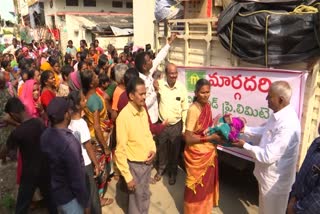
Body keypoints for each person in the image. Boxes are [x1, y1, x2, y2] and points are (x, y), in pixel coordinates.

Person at [232, 81, 301, 214]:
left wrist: (244, 145)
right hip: (267, 178)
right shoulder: (278, 114)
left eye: (269, 96)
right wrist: (244, 129)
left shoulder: (288, 124)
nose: (266, 99)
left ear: (280, 99)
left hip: (275, 184)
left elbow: (268, 156)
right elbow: (264, 132)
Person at [5, 97, 57, 214]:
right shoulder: (38, 122)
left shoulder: (17, 132)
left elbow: (7, 152)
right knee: (51, 201)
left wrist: (11, 123)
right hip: (45, 168)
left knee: (22, 205)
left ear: (13, 114)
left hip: (30, 173)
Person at [115, 77, 156, 214]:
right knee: (135, 203)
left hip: (146, 164)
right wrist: (127, 177)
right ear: (131, 96)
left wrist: (153, 150)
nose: (144, 97)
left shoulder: (143, 110)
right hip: (135, 167)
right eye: (141, 94)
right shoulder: (124, 117)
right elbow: (120, 151)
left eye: (145, 93)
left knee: (144, 197)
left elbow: (148, 134)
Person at [40, 97, 88, 213]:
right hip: (71, 199)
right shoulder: (70, 143)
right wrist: (85, 203)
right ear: (66, 115)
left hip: (56, 194)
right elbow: (77, 178)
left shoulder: (45, 135)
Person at [184, 79, 224, 213]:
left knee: (205, 187)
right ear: (196, 93)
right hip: (196, 155)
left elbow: (206, 129)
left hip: (208, 152)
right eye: (202, 92)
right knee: (195, 187)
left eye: (208, 92)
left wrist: (218, 124)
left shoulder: (207, 106)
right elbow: (188, 138)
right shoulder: (193, 110)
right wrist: (210, 138)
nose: (206, 95)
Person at [68, 90, 107, 213]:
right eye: (83, 100)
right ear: (78, 105)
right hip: (85, 163)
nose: (86, 101)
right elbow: (88, 147)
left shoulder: (68, 122)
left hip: (74, 162)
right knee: (92, 192)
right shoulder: (81, 124)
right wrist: (96, 164)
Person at [80, 69, 113, 206]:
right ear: (91, 83)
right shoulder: (94, 100)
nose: (97, 77)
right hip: (98, 138)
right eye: (94, 76)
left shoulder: (85, 95)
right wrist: (105, 147)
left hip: (92, 132)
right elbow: (98, 127)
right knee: (100, 168)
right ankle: (99, 198)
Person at [154, 63, 188, 185]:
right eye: (171, 73)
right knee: (161, 149)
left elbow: (185, 109)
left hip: (176, 126)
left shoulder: (181, 88)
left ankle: (172, 173)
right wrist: (154, 83)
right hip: (162, 125)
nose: (174, 76)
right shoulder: (160, 84)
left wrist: (184, 127)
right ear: (166, 74)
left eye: (175, 73)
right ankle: (161, 170)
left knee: (175, 151)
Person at [135, 33, 177, 124]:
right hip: (148, 121)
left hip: (155, 118)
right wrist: (156, 92)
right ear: (144, 66)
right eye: (149, 60)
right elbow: (144, 103)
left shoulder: (148, 73)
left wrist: (169, 43)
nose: (152, 61)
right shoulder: (140, 83)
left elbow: (159, 58)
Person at [287, 122, 320, 214]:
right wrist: (293, 198)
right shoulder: (317, 143)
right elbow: (303, 173)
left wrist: (296, 208)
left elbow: (317, 201)